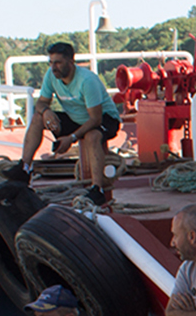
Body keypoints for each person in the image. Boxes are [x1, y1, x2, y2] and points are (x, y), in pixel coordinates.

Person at [7, 42, 122, 207]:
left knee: (92, 136)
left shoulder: (87, 81)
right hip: (75, 118)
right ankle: (24, 168)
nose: (54, 67)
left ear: (71, 61)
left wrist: (71, 138)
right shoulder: (51, 76)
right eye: (51, 63)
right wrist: (46, 111)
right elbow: (41, 103)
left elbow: (95, 119)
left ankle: (97, 190)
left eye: (58, 62)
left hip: (104, 119)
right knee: (38, 118)